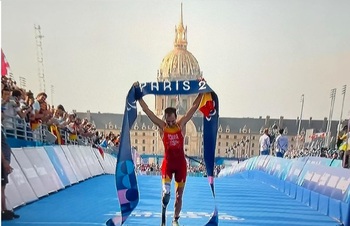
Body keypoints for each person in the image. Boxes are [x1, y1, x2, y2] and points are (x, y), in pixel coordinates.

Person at [134, 82, 203, 226]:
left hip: (181, 165)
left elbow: (193, 107)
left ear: (176, 117)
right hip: (168, 164)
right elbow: (148, 111)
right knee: (167, 194)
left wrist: (202, 92)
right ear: (165, 119)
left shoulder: (181, 124)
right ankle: (164, 204)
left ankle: (175, 220)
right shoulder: (162, 126)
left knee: (179, 196)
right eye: (168, 121)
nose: (170, 123)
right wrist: (139, 95)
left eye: (172, 121)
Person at [1, 130, 20, 220]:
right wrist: (4, 162)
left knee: (3, 188)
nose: (2, 114)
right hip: (2, 162)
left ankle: (4, 210)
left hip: (4, 161)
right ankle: (3, 211)